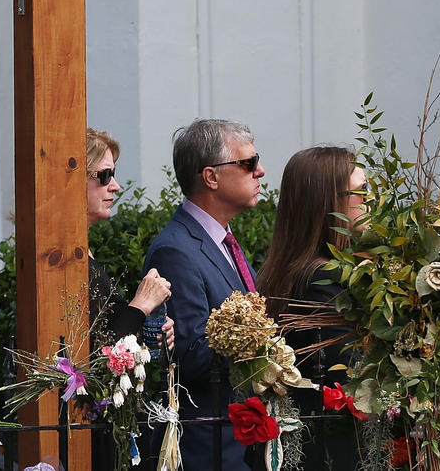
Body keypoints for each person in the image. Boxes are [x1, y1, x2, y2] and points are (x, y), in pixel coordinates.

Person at [144, 119, 265, 471]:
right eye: (248, 163)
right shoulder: (176, 250)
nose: (260, 171)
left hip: (236, 441)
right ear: (211, 177)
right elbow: (190, 356)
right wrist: (261, 343)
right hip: (207, 446)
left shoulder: (220, 239)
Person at [256, 146, 366, 470]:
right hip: (333, 451)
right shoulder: (323, 277)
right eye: (361, 192)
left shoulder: (293, 269)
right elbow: (353, 372)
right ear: (328, 203)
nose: (371, 202)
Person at [85, 128, 174, 349]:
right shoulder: (62, 256)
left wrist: (145, 327)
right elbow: (96, 351)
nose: (115, 186)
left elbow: (106, 333)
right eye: (105, 175)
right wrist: (141, 305)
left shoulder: (82, 250)